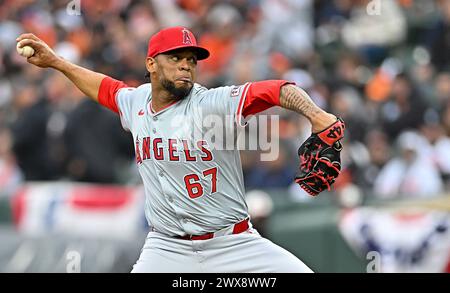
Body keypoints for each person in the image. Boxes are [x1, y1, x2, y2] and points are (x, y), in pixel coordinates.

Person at [16, 26, 341, 273]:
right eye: (176, 58)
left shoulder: (212, 103)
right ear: (152, 64)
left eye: (191, 60)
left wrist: (317, 115)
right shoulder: (136, 102)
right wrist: (57, 62)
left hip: (233, 242)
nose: (186, 66)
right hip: (166, 248)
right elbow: (103, 87)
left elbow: (276, 90)